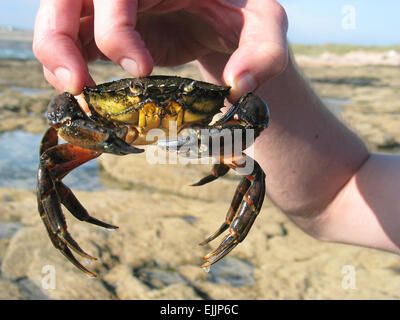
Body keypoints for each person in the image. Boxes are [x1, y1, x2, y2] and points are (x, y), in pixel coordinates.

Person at [33, 0, 400, 255]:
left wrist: (222, 129)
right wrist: (227, 44)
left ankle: (230, 229)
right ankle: (66, 231)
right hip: (119, 123)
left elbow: (252, 109)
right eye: (138, 101)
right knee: (50, 168)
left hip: (187, 123)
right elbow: (335, 193)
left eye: (181, 100)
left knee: (252, 174)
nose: (158, 111)